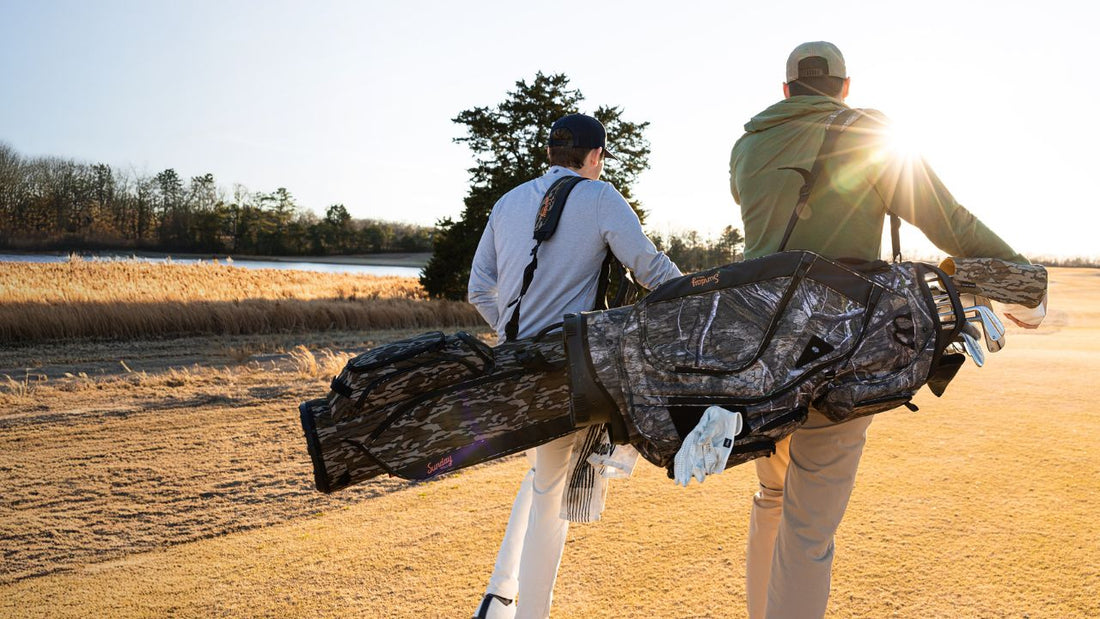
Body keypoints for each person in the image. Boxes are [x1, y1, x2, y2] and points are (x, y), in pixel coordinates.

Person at [729, 41, 1043, 618]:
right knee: (808, 534)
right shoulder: (863, 133)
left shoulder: (747, 144)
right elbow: (951, 221)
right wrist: (1025, 282)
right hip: (837, 352)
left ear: (785, 91)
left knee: (771, 496)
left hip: (757, 352)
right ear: (846, 87)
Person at [468, 113, 681, 618]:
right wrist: (700, 293)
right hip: (567, 369)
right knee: (549, 497)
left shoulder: (508, 202)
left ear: (550, 154)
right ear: (595, 157)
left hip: (513, 366)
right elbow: (651, 270)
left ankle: (499, 594)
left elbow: (480, 288)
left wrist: (513, 334)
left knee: (542, 475)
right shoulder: (601, 196)